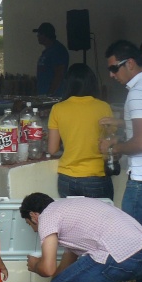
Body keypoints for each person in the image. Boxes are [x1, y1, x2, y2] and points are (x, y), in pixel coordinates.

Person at [99, 39, 142, 282]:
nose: (111, 75)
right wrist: (121, 121)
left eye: (113, 68)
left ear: (129, 63)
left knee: (141, 248)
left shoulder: (137, 94)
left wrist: (114, 146)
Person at [47, 64, 113, 199]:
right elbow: (110, 141)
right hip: (95, 176)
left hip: (67, 178)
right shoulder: (103, 107)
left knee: (72, 220)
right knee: (99, 220)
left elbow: (52, 149)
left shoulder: (58, 108)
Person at [33, 22, 69, 96]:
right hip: (44, 95)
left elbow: (59, 74)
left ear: (46, 35)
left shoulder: (57, 50)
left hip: (53, 96)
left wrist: (50, 94)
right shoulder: (48, 51)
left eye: (40, 34)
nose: (37, 36)